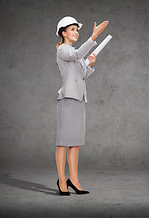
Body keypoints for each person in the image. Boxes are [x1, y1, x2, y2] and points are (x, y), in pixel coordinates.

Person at [55, 16, 108, 195]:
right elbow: (77, 55)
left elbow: (81, 76)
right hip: (68, 99)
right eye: (72, 29)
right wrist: (93, 37)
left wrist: (90, 66)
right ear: (63, 33)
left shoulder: (74, 53)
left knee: (75, 143)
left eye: (77, 30)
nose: (76, 32)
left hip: (78, 99)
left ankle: (74, 180)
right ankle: (62, 180)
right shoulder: (63, 50)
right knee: (63, 142)